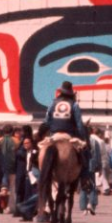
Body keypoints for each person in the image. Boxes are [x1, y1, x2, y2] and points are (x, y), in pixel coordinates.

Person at [37, 82, 89, 213]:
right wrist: (83, 139)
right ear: (71, 94)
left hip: (54, 135)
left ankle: (39, 172)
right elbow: (79, 124)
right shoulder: (74, 105)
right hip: (68, 135)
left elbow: (46, 121)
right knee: (85, 153)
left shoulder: (52, 104)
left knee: (40, 152)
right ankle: (85, 179)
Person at [80, 125, 107, 216]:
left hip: (82, 166)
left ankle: (83, 207)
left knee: (83, 186)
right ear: (91, 132)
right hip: (91, 166)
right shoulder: (95, 142)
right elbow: (98, 156)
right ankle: (92, 204)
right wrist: (99, 167)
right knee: (92, 185)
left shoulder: (81, 141)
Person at [0, 125, 18, 214]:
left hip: (1, 167)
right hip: (13, 166)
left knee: (2, 186)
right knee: (12, 188)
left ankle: (0, 205)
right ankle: (11, 207)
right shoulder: (16, 141)